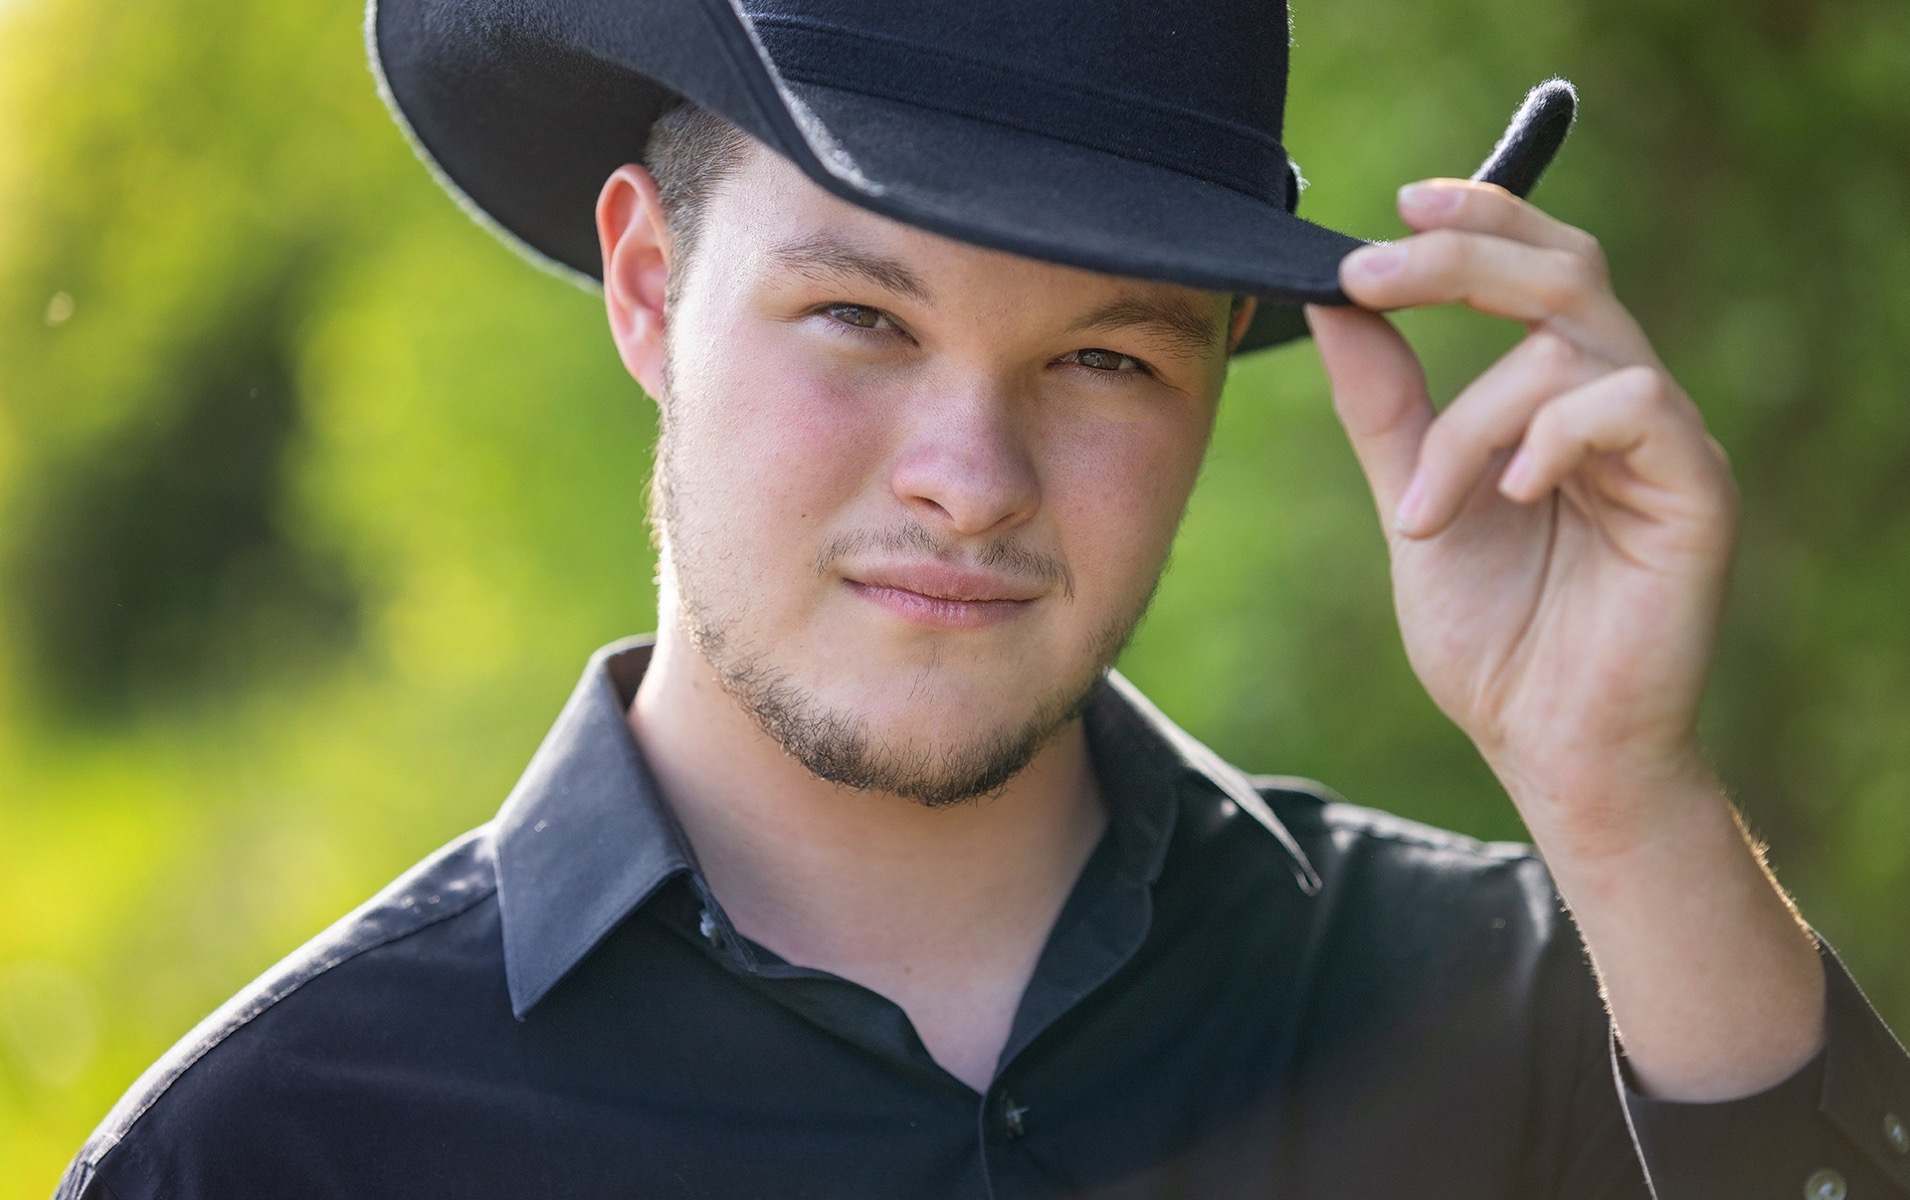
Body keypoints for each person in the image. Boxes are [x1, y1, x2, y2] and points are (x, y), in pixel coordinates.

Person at [57, 0, 1910, 1196]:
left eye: (1108, 358)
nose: (973, 475)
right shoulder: (273, 1155)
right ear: (645, 287)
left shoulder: (1530, 1015)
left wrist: (1620, 793)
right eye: (859, 318)